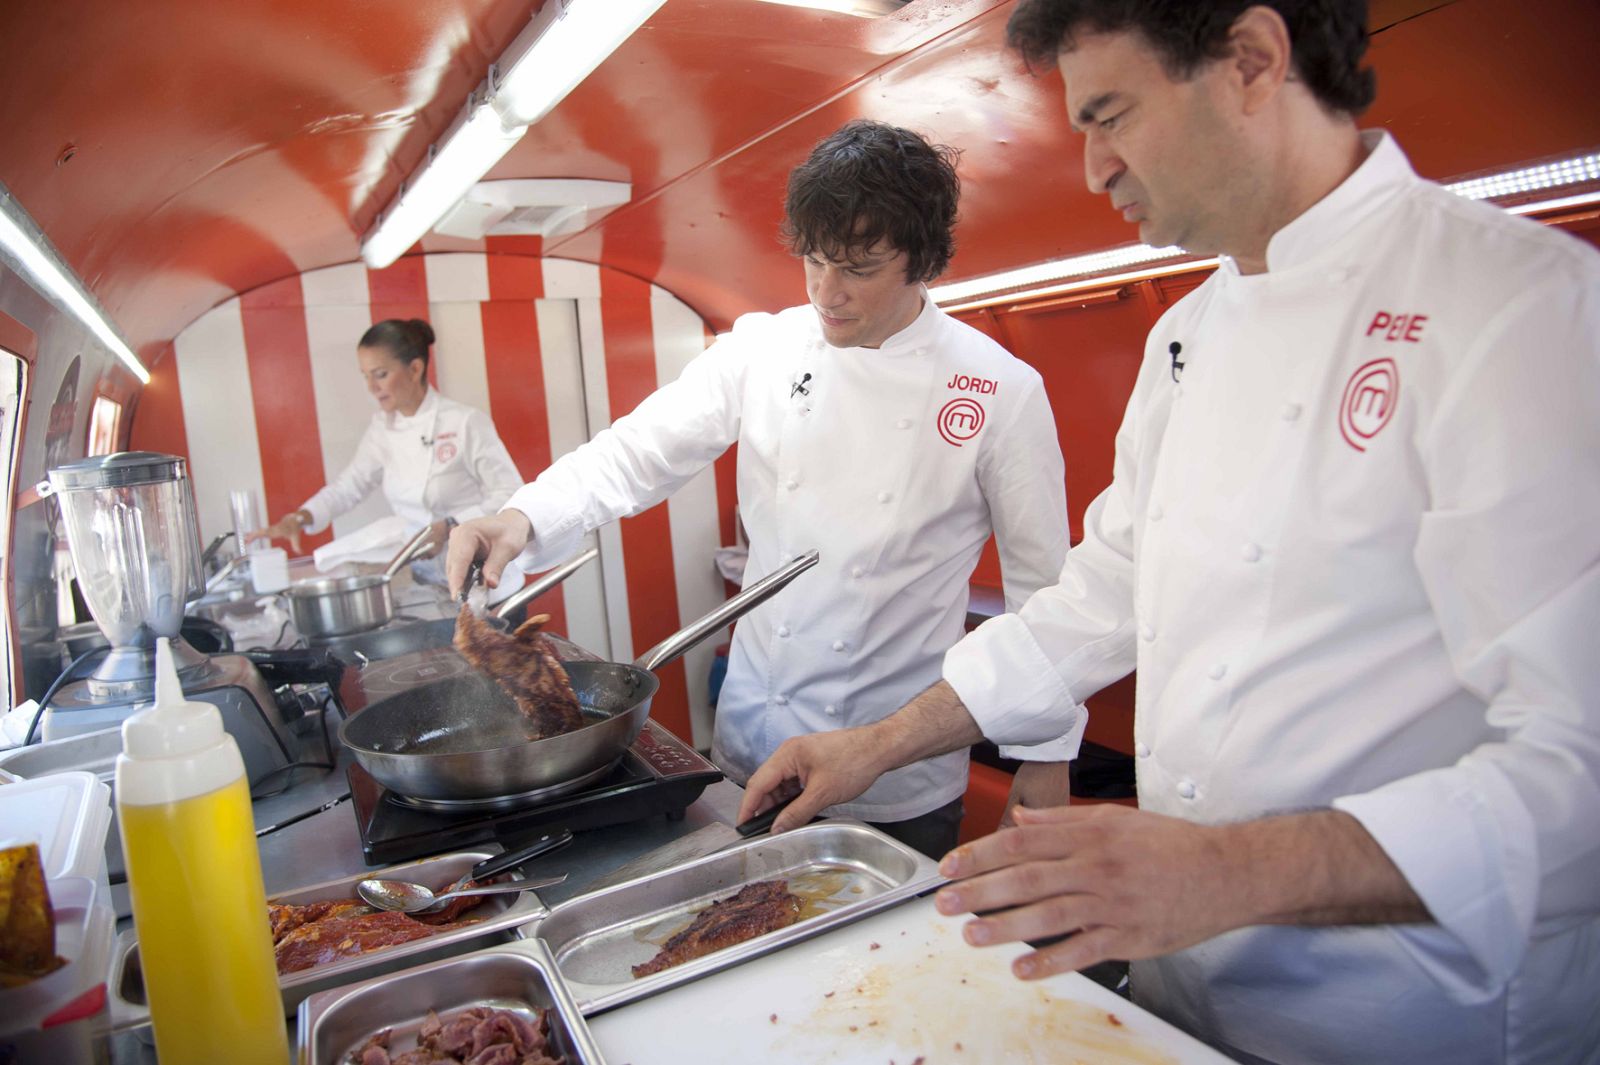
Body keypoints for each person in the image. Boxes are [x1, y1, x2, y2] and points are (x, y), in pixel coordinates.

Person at [737, 3, 1600, 1063]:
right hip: (1182, 979)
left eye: (1111, 115)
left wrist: (1226, 871)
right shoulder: (1187, 334)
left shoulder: (1523, 310)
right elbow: (1097, 600)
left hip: (1414, 1014)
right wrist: (872, 745)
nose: (1093, 166)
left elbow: (1579, 780)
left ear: (1253, 61)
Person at [447, 120, 1083, 859]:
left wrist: (1048, 753)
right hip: (753, 738)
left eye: (859, 268)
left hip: (891, 769)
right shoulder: (764, 347)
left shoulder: (999, 389)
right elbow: (636, 451)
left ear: (924, 261)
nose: (827, 292)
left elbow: (1044, 590)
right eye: (814, 260)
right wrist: (521, 517)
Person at [262, 318, 526, 592]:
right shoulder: (382, 429)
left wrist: (450, 526)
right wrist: (302, 517)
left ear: (415, 369)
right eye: (365, 376)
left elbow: (510, 493)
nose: (371, 387)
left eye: (380, 374)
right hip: (428, 582)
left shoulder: (464, 422)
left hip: (488, 581)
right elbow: (349, 486)